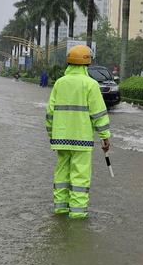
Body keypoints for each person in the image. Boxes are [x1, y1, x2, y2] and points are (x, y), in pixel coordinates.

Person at [45, 45, 111, 219]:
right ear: (88, 63)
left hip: (60, 139)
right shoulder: (91, 84)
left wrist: (52, 135)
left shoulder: (60, 83)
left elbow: (50, 112)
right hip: (82, 140)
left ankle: (60, 209)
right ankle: (77, 214)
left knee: (61, 174)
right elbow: (99, 113)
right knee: (80, 176)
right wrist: (105, 136)